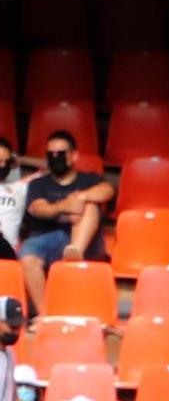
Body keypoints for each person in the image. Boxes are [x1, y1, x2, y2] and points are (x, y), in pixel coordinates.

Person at [16, 130, 112, 315]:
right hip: (47, 239)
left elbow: (107, 190)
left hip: (86, 240)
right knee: (27, 255)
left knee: (90, 204)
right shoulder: (39, 184)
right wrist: (66, 207)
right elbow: (37, 208)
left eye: (60, 153)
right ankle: (45, 315)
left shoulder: (88, 179)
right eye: (50, 154)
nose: (55, 158)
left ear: (73, 155)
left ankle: (75, 251)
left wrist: (82, 197)